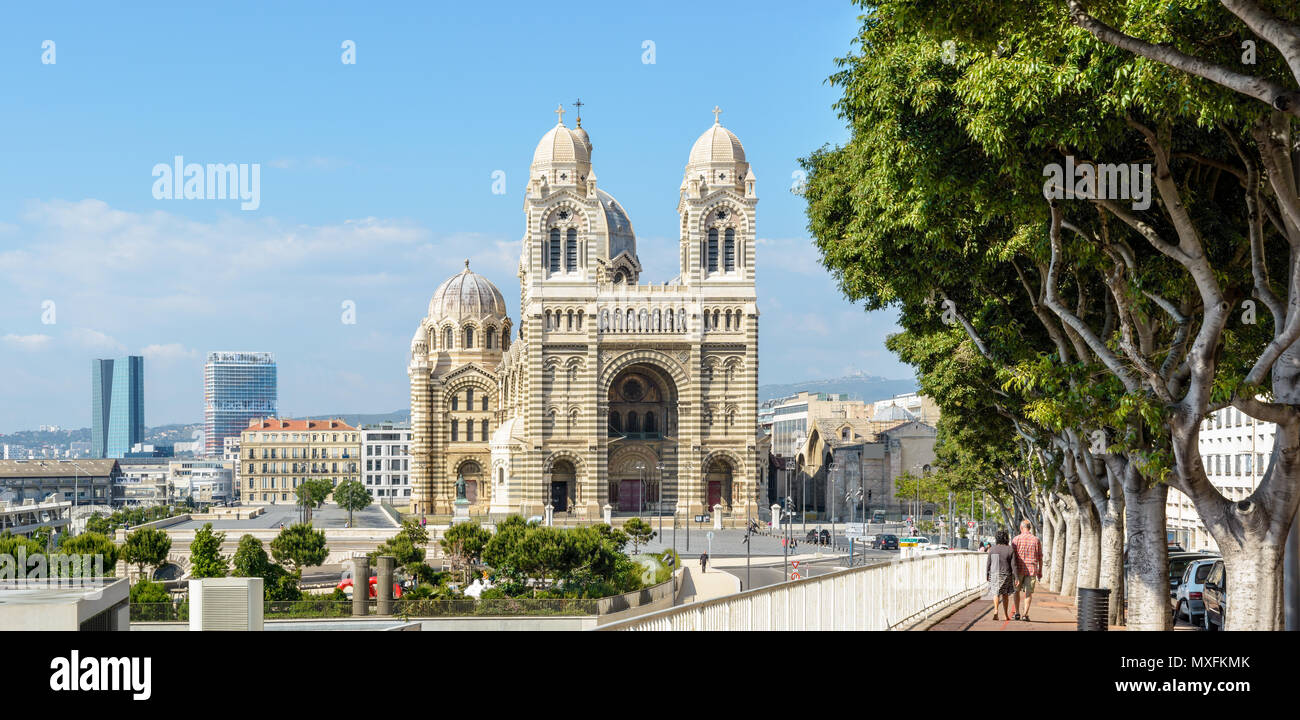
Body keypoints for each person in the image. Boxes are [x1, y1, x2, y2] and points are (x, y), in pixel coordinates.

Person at [1011, 519, 1044, 621]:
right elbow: (1040, 557)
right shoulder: (1036, 540)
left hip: (1018, 570)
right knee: (1028, 593)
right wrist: (1040, 571)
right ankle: (1025, 614)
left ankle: (1017, 613)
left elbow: (1012, 557)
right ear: (1030, 528)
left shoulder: (1016, 539)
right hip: (1031, 570)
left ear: (1021, 528)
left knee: (1016, 591)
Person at [984, 530, 1017, 620]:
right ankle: (1006, 615)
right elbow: (1013, 565)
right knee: (1005, 595)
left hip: (994, 573)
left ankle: (995, 611)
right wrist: (1016, 577)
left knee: (996, 593)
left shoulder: (993, 549)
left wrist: (987, 573)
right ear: (1006, 538)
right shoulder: (1010, 549)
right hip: (1006, 574)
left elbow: (989, 563)